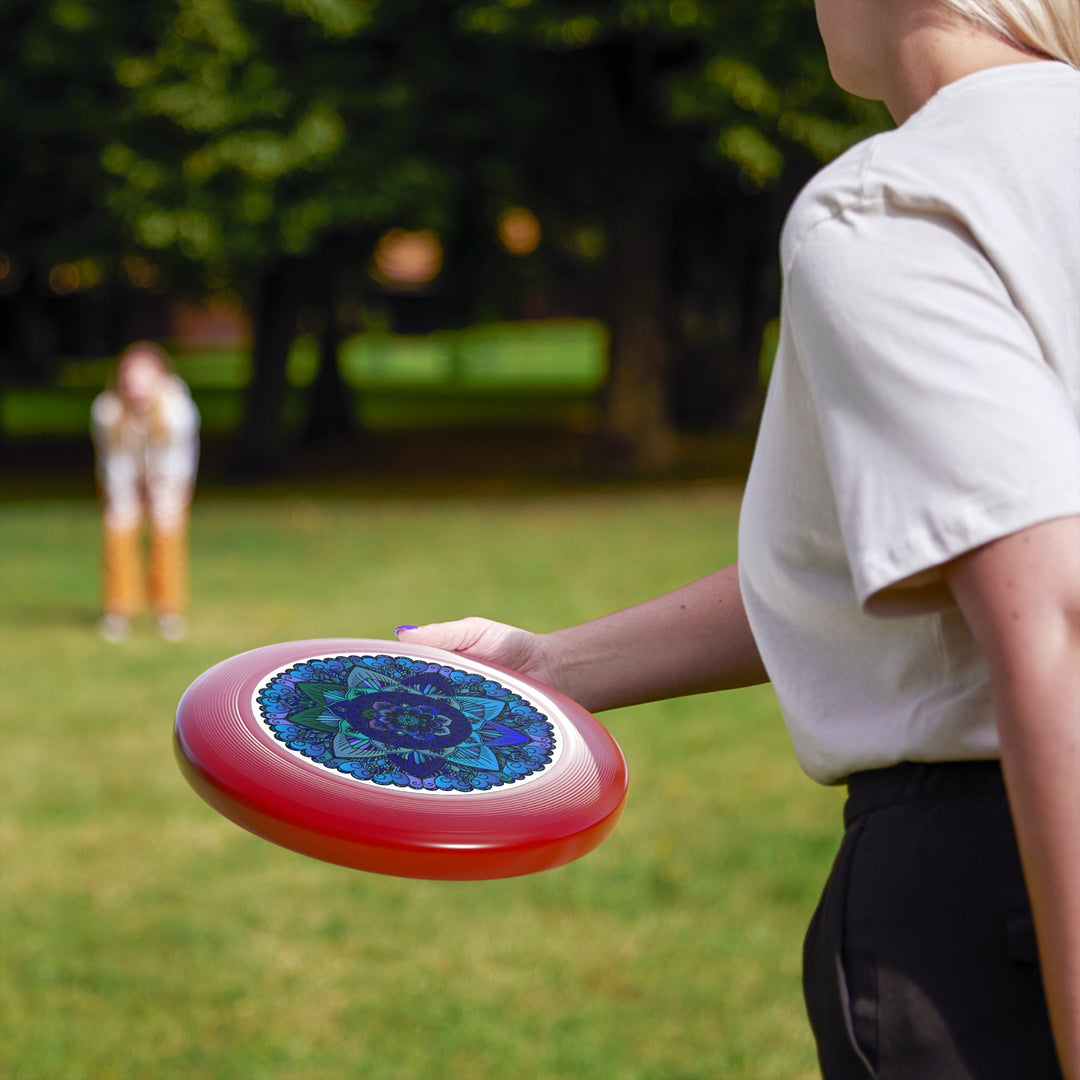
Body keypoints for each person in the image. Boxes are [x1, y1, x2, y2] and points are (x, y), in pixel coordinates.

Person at [395, 2, 1080, 1077]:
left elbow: (1055, 616)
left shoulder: (900, 202)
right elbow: (912, 552)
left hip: (1003, 890)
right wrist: (550, 666)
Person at [91, 341, 200, 642]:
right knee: (118, 531)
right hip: (123, 478)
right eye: (130, 377)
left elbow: (177, 460)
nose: (136, 385)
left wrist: (160, 492)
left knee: (167, 535)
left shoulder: (178, 410)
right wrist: (125, 496)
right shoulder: (107, 410)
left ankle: (168, 611)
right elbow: (114, 460)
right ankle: (118, 610)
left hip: (168, 479)